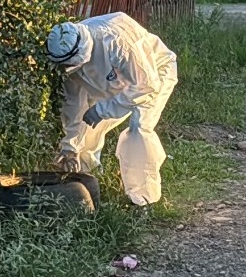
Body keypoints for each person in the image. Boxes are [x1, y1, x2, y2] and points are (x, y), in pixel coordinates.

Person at [46, 11, 178, 206]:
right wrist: (70, 147)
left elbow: (145, 86)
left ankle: (142, 198)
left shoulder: (115, 42)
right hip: (115, 83)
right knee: (87, 130)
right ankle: (87, 183)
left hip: (154, 73)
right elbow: (73, 105)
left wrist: (102, 110)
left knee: (139, 127)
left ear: (82, 53)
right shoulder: (69, 57)